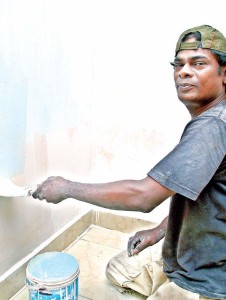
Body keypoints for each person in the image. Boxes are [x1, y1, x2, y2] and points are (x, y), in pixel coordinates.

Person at [32, 25, 226, 299]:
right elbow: (206, 196)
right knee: (119, 269)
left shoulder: (212, 126)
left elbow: (143, 196)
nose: (183, 72)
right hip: (197, 251)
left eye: (199, 63)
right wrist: (159, 231)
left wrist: (65, 188)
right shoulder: (216, 117)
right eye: (178, 64)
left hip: (211, 275)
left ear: (224, 74)